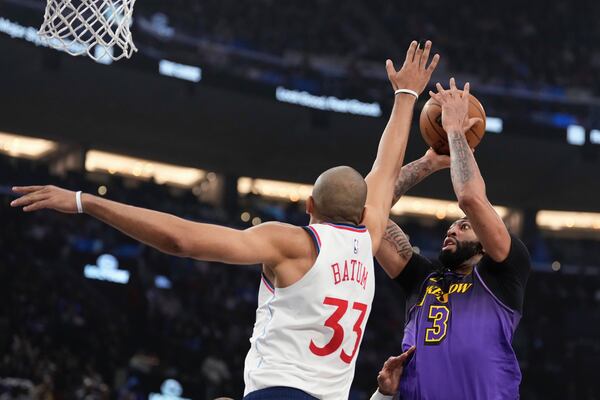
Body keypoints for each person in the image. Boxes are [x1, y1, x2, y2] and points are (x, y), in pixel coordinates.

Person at [11, 41, 440, 400]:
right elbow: (387, 166)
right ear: (364, 210)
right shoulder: (371, 234)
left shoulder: (291, 242)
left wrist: (87, 201)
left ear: (309, 205)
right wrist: (406, 97)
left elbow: (181, 240)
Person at [373, 79, 531, 399]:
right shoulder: (422, 279)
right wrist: (426, 164)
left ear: (486, 243)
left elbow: (471, 198)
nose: (452, 229)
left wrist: (456, 131)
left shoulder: (504, 273)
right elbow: (367, 213)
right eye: (452, 227)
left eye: (464, 227)